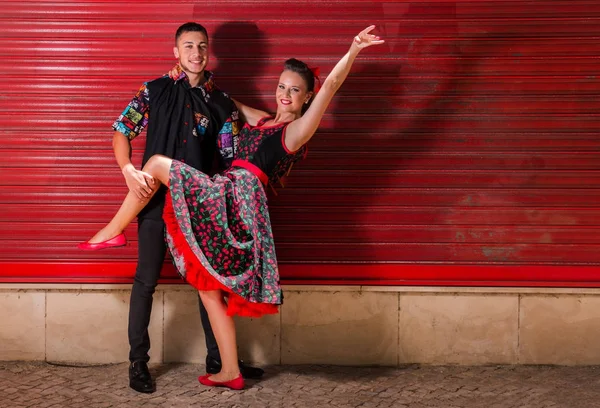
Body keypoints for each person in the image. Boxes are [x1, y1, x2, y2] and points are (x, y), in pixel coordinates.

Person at [79, 25, 384, 390]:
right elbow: (131, 128)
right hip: (178, 198)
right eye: (282, 86)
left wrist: (352, 49)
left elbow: (326, 89)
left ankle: (112, 233)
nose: (286, 94)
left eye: (295, 90)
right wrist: (201, 89)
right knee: (178, 284)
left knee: (165, 177)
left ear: (307, 98)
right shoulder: (177, 97)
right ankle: (186, 365)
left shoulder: (282, 125)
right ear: (176, 52)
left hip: (218, 199)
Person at [77, 22, 263, 394]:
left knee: (211, 287)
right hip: (153, 205)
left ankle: (220, 359)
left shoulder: (222, 104)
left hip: (198, 210)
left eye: (202, 46)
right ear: (176, 52)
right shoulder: (154, 91)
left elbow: (229, 159)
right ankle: (138, 362)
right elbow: (121, 131)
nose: (196, 52)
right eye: (188, 46)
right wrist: (127, 168)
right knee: (145, 281)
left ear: (209, 53)